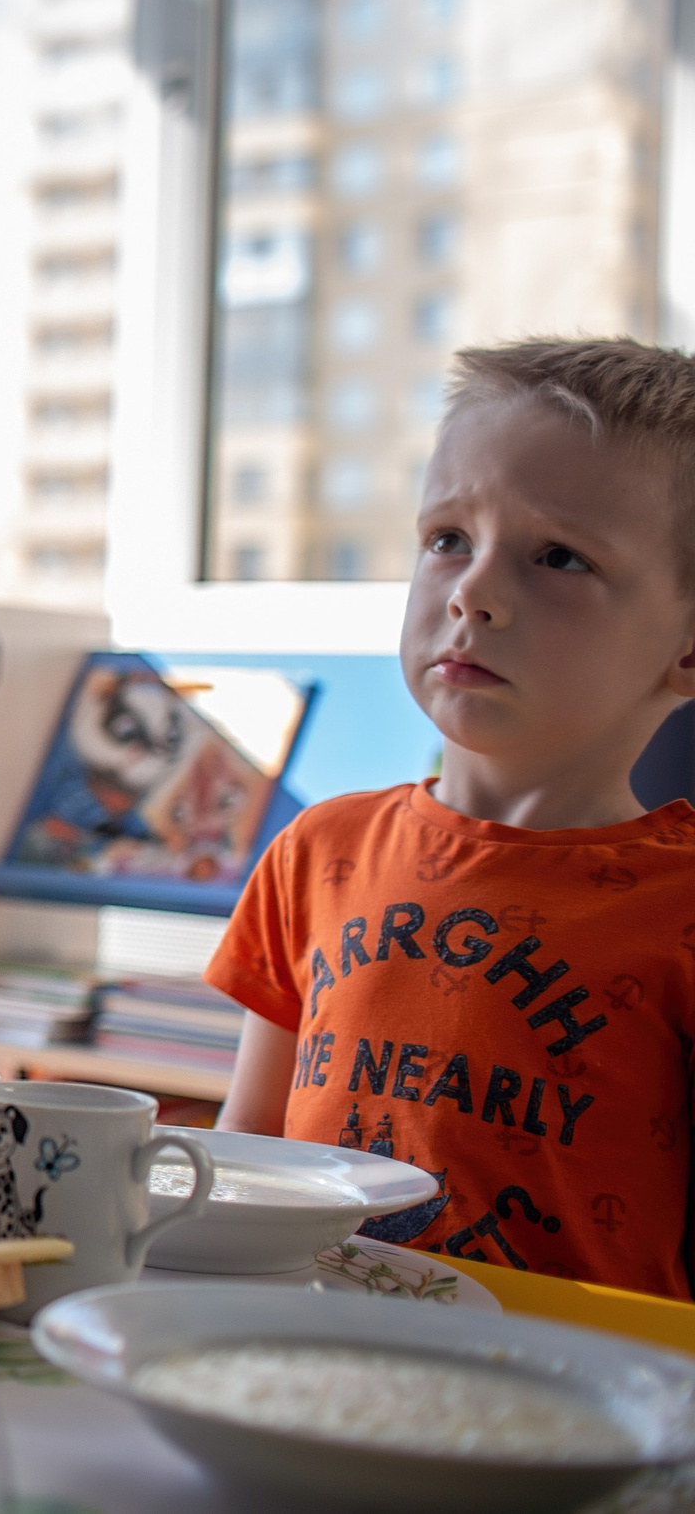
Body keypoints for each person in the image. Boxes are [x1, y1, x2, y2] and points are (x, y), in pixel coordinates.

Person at [212, 338, 695, 1296]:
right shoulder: (319, 851)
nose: (472, 591)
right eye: (447, 539)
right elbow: (248, 1152)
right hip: (299, 1357)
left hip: (567, 1407)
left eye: (560, 556)